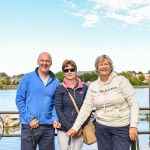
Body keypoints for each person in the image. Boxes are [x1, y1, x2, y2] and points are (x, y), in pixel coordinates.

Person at [67, 54, 139, 150]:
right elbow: (86, 108)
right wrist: (75, 127)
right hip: (102, 128)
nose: (104, 66)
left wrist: (133, 125)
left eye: (106, 64)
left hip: (121, 127)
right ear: (97, 68)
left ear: (111, 66)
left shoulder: (121, 81)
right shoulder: (93, 86)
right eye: (100, 64)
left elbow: (134, 102)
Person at [16, 52, 61, 150]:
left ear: (51, 63)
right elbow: (19, 99)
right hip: (30, 126)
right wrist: (30, 119)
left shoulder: (55, 81)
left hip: (48, 127)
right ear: (38, 62)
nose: (44, 63)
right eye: (42, 60)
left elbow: (56, 103)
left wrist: (55, 118)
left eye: (47, 61)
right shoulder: (27, 78)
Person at [55, 59, 88, 150]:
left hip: (79, 129)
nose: (69, 72)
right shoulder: (60, 89)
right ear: (64, 72)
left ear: (76, 71)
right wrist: (70, 128)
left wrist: (79, 127)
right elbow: (59, 109)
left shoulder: (84, 88)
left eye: (72, 69)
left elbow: (87, 109)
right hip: (64, 129)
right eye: (66, 70)